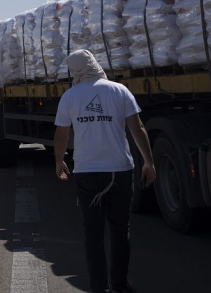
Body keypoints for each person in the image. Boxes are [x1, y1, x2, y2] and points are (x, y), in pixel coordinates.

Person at [53, 50, 156, 293]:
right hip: (120, 170)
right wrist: (149, 162)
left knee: (93, 235)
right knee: (120, 230)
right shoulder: (119, 90)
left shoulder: (70, 96)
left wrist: (59, 161)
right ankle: (120, 285)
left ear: (74, 70)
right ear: (94, 63)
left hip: (87, 172)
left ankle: (98, 287)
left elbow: (61, 135)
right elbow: (137, 128)